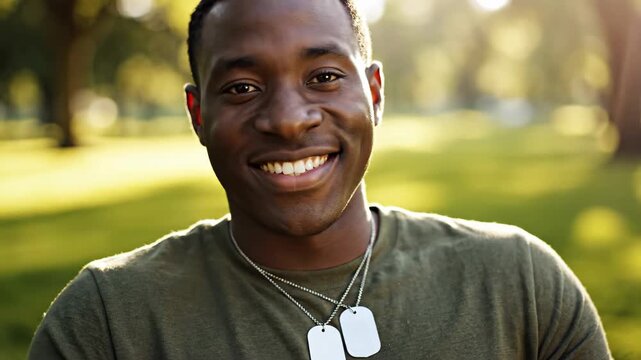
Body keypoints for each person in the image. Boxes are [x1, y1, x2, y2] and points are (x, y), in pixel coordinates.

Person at [29, 0, 612, 359]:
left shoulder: (520, 284)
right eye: (241, 87)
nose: (287, 119)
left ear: (375, 94)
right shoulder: (107, 322)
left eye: (325, 76)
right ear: (198, 116)